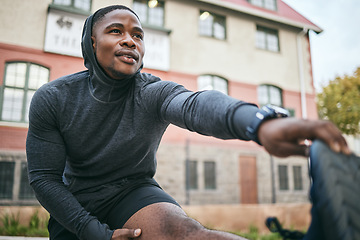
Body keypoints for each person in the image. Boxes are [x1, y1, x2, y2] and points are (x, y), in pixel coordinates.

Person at [26, 5, 351, 240]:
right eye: (116, 31)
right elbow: (45, 180)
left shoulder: (152, 91)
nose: (130, 40)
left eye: (138, 35)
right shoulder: (53, 98)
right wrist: (94, 232)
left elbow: (196, 105)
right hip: (76, 204)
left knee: (187, 233)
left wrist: (260, 123)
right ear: (92, 43)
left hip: (131, 191)